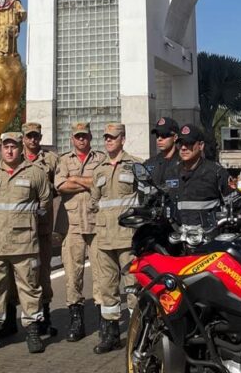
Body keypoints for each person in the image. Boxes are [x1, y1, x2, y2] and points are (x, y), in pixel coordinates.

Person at [0, 132, 52, 355]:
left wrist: (28, 222)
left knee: (29, 288)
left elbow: (45, 201)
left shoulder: (35, 172)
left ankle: (33, 331)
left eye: (14, 147)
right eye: (5, 146)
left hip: (24, 243)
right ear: (1, 148)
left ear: (21, 148)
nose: (9, 151)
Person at [89, 123, 142, 354]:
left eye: (113, 137)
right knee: (107, 288)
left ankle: (138, 333)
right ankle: (110, 335)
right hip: (104, 238)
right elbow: (94, 201)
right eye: (106, 138)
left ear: (123, 139)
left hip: (127, 237)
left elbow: (144, 197)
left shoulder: (135, 165)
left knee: (132, 287)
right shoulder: (99, 169)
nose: (108, 141)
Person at [54, 121, 106, 341]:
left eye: (84, 136)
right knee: (73, 275)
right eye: (77, 136)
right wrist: (88, 182)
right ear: (72, 139)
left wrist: (74, 179)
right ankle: (76, 320)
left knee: (102, 274)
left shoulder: (101, 159)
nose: (81, 140)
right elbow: (60, 185)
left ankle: (104, 319)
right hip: (71, 225)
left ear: (90, 137)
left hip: (96, 223)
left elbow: (102, 183)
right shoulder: (64, 160)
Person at [23, 121, 59, 336]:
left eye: (36, 136)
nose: (33, 140)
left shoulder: (51, 160)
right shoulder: (14, 157)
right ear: (23, 138)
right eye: (29, 136)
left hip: (42, 227)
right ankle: (11, 318)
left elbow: (60, 185)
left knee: (43, 273)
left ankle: (44, 317)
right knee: (18, 276)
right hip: (18, 229)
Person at [172, 124, 231, 228]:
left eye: (189, 143)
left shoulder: (216, 172)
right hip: (179, 237)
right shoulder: (172, 173)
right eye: (180, 144)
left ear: (201, 145)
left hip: (209, 238)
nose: (184, 148)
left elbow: (236, 206)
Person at [145, 116, 181, 189]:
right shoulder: (149, 163)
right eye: (157, 135)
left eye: (164, 135)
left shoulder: (184, 163)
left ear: (175, 137)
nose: (159, 139)